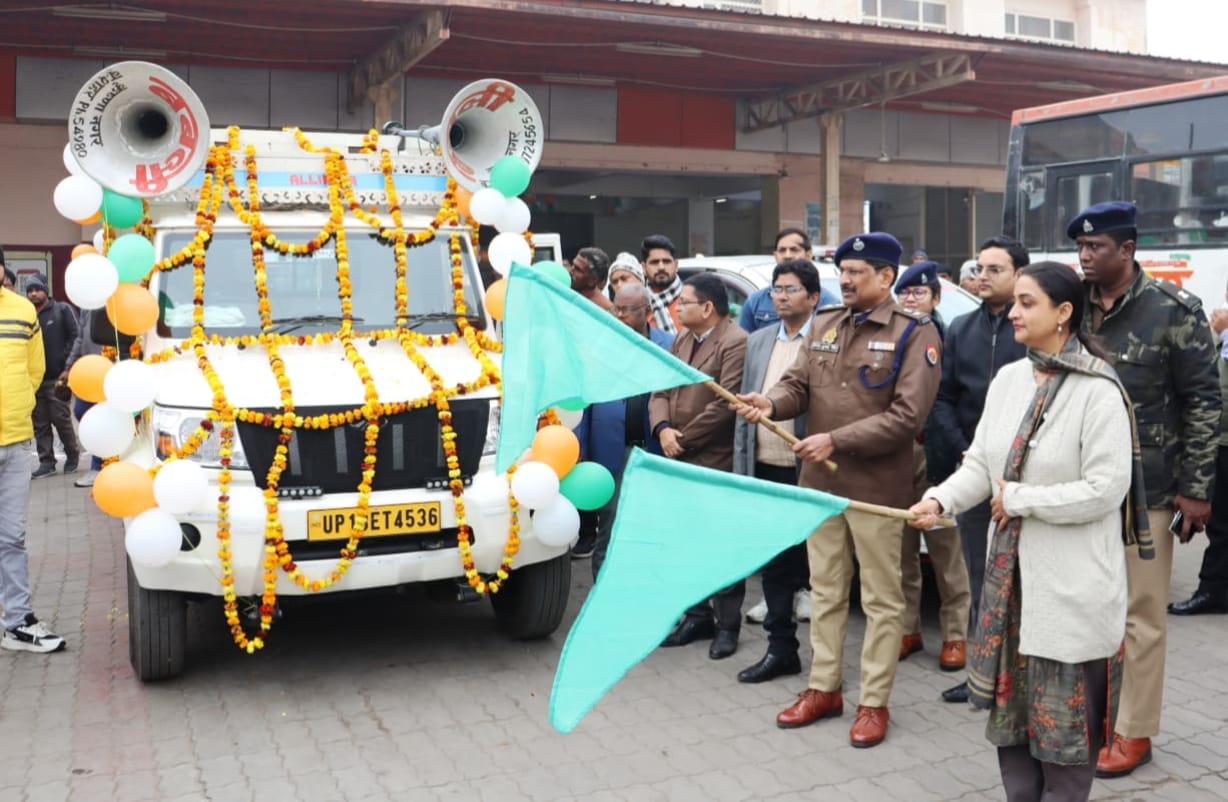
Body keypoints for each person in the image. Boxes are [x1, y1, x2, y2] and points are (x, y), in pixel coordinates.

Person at [910, 260, 1143, 802]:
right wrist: (939, 499)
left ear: (1063, 313)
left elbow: (1106, 490)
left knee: (1066, 735)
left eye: (1026, 302)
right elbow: (981, 463)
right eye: (1014, 301)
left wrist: (1020, 499)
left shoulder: (1097, 390)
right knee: (1014, 726)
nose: (1013, 311)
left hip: (1070, 591)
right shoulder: (1009, 379)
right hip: (1010, 592)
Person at [734, 232, 942, 748]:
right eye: (843, 271)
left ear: (886, 277)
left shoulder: (915, 333)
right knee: (825, 592)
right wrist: (770, 403)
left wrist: (834, 439)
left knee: (881, 601)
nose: (845, 280)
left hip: (876, 491)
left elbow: (908, 416)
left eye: (856, 272)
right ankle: (823, 688)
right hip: (820, 487)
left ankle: (874, 702)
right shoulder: (826, 323)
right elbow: (799, 385)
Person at [1071, 202, 1221, 779]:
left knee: (1142, 614)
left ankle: (1134, 730)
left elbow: (1204, 401)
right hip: (1083, 483)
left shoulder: (1172, 311)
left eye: (1097, 247)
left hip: (1150, 489)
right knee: (1089, 606)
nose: (1086, 256)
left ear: (1127, 250)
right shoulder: (1072, 305)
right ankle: (1092, 715)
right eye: (1081, 247)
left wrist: (1196, 490)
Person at [930, 235, 1029, 703]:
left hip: (1024, 478)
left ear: (1019, 274)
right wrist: (968, 451)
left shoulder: (1031, 329)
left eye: (995, 269)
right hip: (973, 468)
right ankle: (981, 675)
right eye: (979, 268)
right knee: (978, 575)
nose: (983, 277)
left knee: (1023, 580)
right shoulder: (961, 328)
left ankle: (1021, 678)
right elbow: (944, 398)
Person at [651, 273, 747, 660]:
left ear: (707, 308)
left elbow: (726, 404)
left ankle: (727, 625)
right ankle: (696, 615)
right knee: (685, 540)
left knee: (720, 543)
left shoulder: (735, 341)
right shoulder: (681, 338)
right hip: (677, 453)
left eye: (684, 302)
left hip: (714, 457)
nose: (677, 308)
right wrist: (662, 428)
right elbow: (661, 388)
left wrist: (683, 438)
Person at [732, 259, 820, 684]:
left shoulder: (825, 340)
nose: (780, 297)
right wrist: (742, 466)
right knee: (775, 565)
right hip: (764, 465)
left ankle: (826, 661)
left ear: (813, 297)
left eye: (790, 289)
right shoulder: (759, 340)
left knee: (817, 566)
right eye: (776, 290)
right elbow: (742, 405)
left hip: (808, 468)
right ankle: (781, 647)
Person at [893, 261, 971, 674]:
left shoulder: (948, 338)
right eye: (904, 293)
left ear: (936, 298)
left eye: (919, 292)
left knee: (946, 552)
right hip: (896, 455)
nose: (910, 299)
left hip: (938, 456)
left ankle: (955, 635)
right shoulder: (889, 337)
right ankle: (908, 629)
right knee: (902, 550)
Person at [572, 284, 673, 568]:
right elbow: (585, 402)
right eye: (616, 308)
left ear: (647, 312)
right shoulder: (599, 347)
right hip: (611, 451)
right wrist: (582, 449)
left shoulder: (669, 345)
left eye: (627, 310)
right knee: (610, 526)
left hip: (654, 450)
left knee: (652, 525)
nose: (619, 315)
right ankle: (602, 587)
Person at [0, 246, 67, 653]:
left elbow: (34, 369)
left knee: (12, 537)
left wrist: (20, 404)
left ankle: (18, 622)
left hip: (14, 440)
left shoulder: (23, 311)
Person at [1168, 290, 1228, 616]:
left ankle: (1213, 591)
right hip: (1219, 440)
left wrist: (1221, 332)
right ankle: (1214, 590)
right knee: (1220, 524)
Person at [25, 274, 82, 478]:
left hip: (57, 377)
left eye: (37, 289)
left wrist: (68, 367)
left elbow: (76, 337)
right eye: (30, 291)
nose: (33, 294)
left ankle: (72, 455)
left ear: (46, 291)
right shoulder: (26, 314)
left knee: (61, 420)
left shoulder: (62, 310)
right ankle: (47, 462)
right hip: (34, 380)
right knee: (39, 423)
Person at [738, 227, 839, 333]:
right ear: (775, 255)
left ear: (808, 255)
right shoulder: (755, 302)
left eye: (794, 250)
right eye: (782, 250)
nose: (787, 256)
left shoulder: (830, 304)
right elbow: (747, 341)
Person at [64, 307, 105, 488]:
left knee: (102, 419)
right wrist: (69, 365)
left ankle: (98, 466)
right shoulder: (87, 308)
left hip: (111, 369)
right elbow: (80, 337)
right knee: (81, 411)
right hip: (89, 371)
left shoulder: (115, 302)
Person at [641, 234, 683, 334]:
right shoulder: (639, 306)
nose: (661, 267)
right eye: (654, 262)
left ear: (676, 265)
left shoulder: (692, 301)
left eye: (666, 261)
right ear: (644, 268)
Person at [569, 247, 613, 311]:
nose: (571, 271)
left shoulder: (605, 311)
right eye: (572, 265)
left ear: (592, 280)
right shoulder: (567, 294)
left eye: (578, 269)